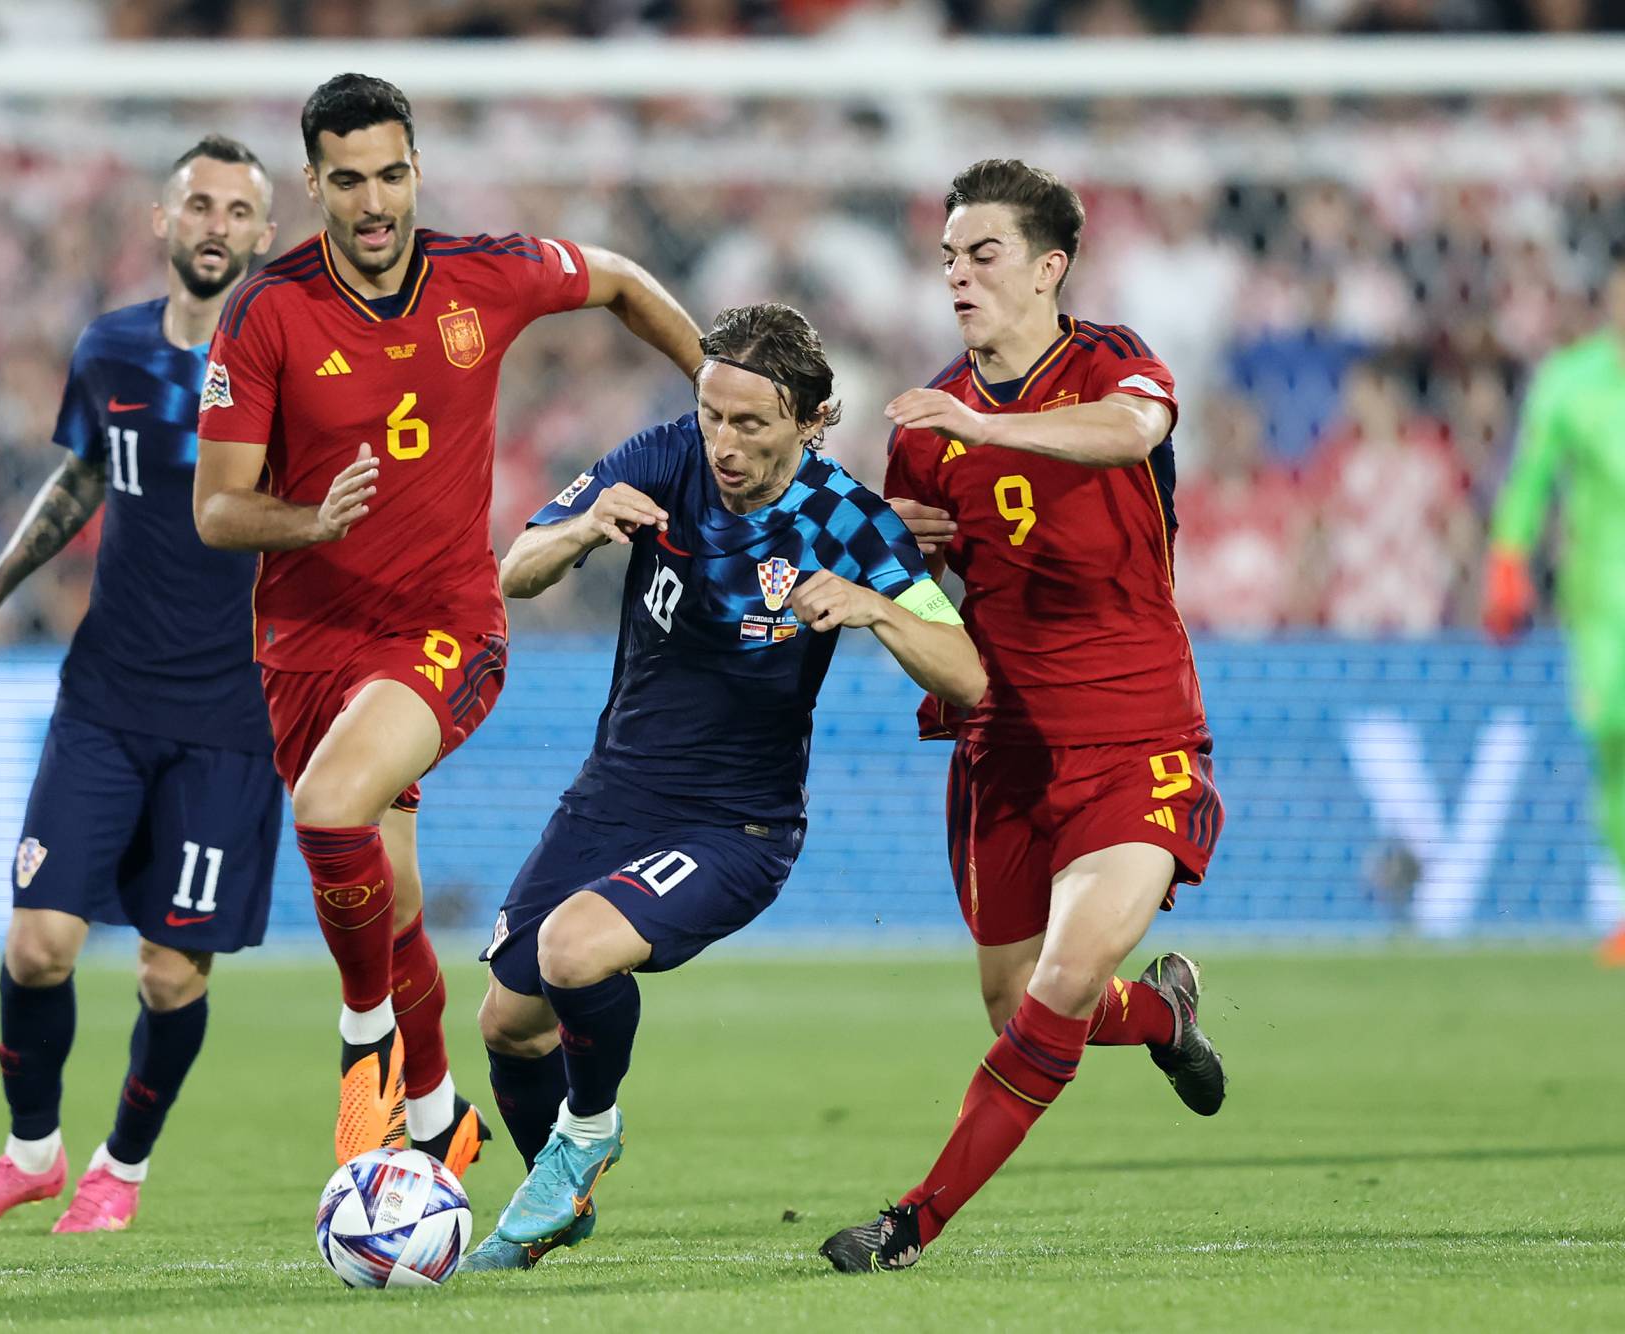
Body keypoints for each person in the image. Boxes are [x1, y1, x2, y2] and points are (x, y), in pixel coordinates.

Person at [192, 73, 702, 1173]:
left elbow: (613, 277)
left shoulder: (486, 277)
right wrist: (305, 517)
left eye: (388, 174)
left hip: (444, 625)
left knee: (331, 809)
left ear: (415, 169)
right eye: (346, 180)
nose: (371, 202)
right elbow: (216, 507)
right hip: (302, 645)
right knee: (391, 897)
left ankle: (365, 1046)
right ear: (314, 184)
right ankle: (436, 1117)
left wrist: (714, 378)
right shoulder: (266, 312)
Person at [459, 303, 987, 1272]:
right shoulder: (665, 459)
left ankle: (587, 1133)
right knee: (507, 1016)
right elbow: (514, 569)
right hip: (612, 790)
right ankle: (560, 1187)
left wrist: (873, 607)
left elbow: (965, 674)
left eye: (749, 423)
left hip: (736, 824)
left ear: (811, 420)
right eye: (711, 414)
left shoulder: (847, 522)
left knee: (575, 948)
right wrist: (580, 528)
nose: (724, 442)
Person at [821, 159, 1228, 1273]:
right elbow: (926, 593)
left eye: (982, 251)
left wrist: (986, 433)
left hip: (1137, 735)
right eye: (947, 254)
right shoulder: (923, 429)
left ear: (1048, 267)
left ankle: (912, 1218)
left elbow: (1126, 435)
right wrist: (902, 568)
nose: (957, 272)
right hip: (1004, 744)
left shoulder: (1110, 364)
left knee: (1051, 983)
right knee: (1017, 996)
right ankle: (1157, 1017)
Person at [0, 136, 281, 1235]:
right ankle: (31, 1152)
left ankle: (120, 1167)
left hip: (232, 716)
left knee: (172, 975)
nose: (214, 223)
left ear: (263, 238)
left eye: (236, 210)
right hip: (107, 696)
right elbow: (80, 475)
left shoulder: (288, 371)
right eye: (197, 203)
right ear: (162, 222)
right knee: (37, 942)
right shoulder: (112, 348)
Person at [1482, 255, 1625, 967]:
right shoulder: (1569, 384)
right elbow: (1530, 481)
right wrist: (1508, 561)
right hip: (1602, 603)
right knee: (1612, 737)